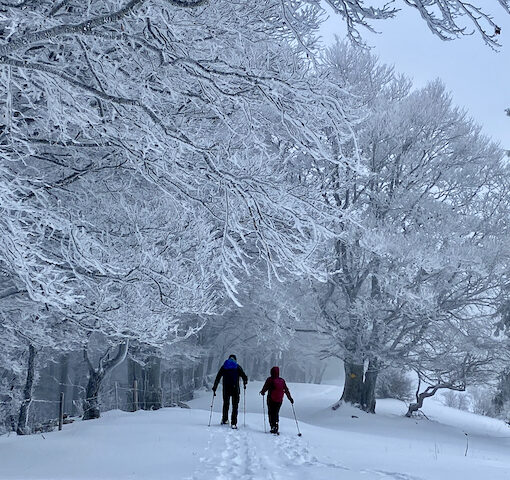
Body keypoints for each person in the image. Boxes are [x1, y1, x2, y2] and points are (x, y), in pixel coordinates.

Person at [212, 354, 248, 428]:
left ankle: (225, 419)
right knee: (235, 406)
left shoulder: (224, 367)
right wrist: (245, 383)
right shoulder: (237, 367)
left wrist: (215, 387)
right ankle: (233, 423)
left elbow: (218, 377)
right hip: (235, 389)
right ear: (235, 359)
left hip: (226, 389)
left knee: (226, 404)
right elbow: (244, 377)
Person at [260, 366, 293, 434]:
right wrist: (290, 398)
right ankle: (276, 425)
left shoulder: (269, 379)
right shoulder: (282, 380)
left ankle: (273, 426)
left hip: (271, 399)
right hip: (279, 400)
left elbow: (265, 388)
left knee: (271, 413)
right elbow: (286, 390)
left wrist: (262, 392)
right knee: (276, 413)